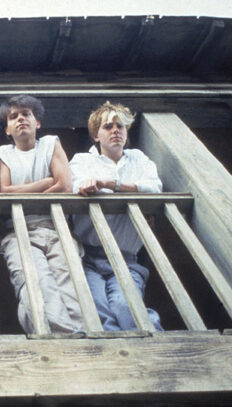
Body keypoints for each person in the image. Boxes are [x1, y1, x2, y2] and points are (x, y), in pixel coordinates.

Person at [0, 95, 84, 334]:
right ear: (7, 128)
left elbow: (65, 186)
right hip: (19, 231)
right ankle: (56, 339)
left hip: (56, 228)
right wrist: (45, 182)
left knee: (71, 283)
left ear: (38, 123)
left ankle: (81, 338)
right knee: (35, 284)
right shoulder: (2, 153)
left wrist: (23, 195)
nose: (21, 118)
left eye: (26, 114)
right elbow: (4, 192)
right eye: (13, 116)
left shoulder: (51, 143)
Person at [69, 101, 163, 331]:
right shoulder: (82, 161)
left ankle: (158, 350)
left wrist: (112, 184)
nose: (115, 131)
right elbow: (75, 185)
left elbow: (154, 188)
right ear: (96, 136)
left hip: (127, 257)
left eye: (120, 126)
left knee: (126, 306)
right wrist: (90, 186)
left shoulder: (138, 159)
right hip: (89, 258)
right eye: (108, 126)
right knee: (99, 312)